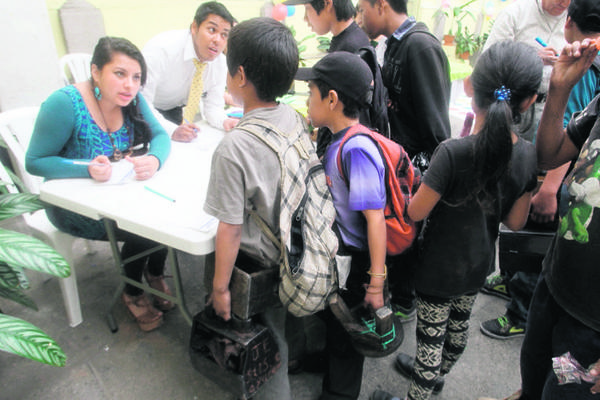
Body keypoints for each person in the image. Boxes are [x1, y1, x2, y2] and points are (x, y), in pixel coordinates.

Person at [371, 40, 542, 400]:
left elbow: (416, 211)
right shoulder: (527, 155)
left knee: (431, 340)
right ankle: (431, 375)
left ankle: (420, 387)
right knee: (456, 336)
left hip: (437, 270)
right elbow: (514, 220)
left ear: (469, 86)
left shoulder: (452, 152)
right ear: (528, 102)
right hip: (478, 267)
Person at [479, 36, 600, 400]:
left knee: (561, 393)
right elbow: (548, 156)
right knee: (533, 376)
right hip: (556, 285)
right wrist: (559, 89)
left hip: (592, 325)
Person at [26, 37, 172, 332]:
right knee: (144, 228)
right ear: (96, 72)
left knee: (166, 213)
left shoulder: (132, 99)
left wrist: (154, 160)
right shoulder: (64, 104)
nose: (129, 85)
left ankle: (155, 273)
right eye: (119, 74)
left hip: (117, 195)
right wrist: (86, 169)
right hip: (72, 207)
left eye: (136, 77)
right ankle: (133, 291)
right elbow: (35, 161)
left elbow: (161, 136)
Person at [203, 17, 302, 400]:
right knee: (280, 329)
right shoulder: (292, 117)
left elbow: (229, 227)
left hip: (258, 262)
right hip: (293, 248)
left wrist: (219, 288)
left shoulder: (233, 148)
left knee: (261, 344)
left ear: (240, 75)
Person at [295, 50, 388, 400]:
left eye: (311, 93)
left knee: (350, 334)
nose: (307, 100)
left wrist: (376, 284)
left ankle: (340, 393)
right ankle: (330, 362)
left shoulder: (357, 149)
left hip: (358, 262)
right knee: (336, 324)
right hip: (339, 256)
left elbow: (374, 219)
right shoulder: (334, 138)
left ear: (331, 99)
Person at [358, 0, 451, 322]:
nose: (359, 17)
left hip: (413, 171)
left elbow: (436, 128)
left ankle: (403, 305)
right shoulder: (394, 45)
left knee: (406, 238)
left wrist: (428, 180)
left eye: (361, 9)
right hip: (396, 165)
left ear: (381, 5)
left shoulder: (421, 47)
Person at [141, 1, 238, 142]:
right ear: (194, 27)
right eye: (212, 30)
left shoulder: (220, 63)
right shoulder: (162, 50)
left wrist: (225, 121)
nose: (217, 40)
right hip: (145, 111)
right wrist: (171, 130)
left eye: (224, 35)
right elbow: (141, 101)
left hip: (173, 109)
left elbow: (213, 108)